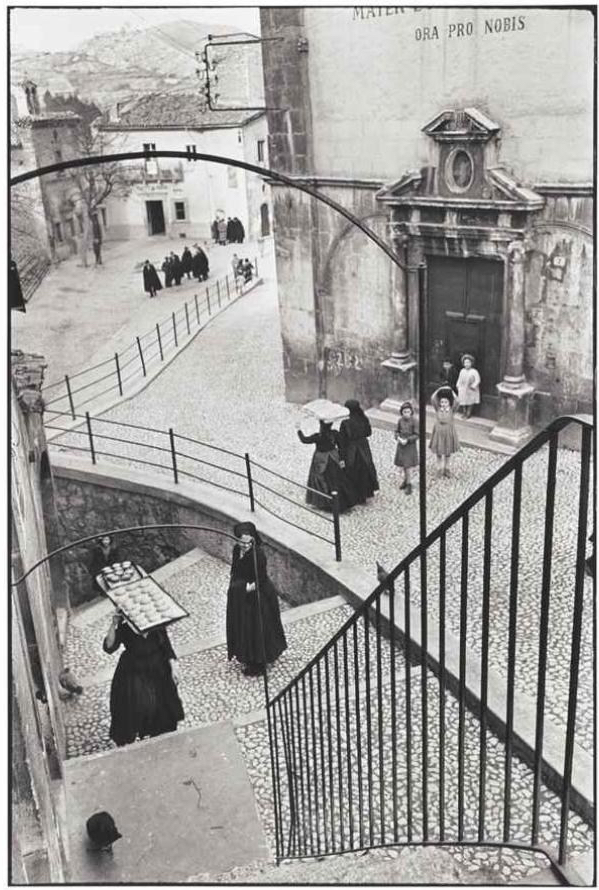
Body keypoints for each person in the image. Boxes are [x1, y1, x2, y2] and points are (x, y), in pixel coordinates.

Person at [103, 611, 184, 746]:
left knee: (162, 704)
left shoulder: (155, 622)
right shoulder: (125, 627)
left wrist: (173, 665)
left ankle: (160, 734)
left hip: (158, 667)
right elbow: (109, 646)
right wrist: (114, 624)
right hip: (134, 669)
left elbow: (166, 645)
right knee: (136, 704)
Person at [226, 522, 287, 677]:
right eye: (241, 542)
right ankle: (248, 655)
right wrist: (238, 587)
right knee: (245, 627)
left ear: (253, 540)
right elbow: (235, 571)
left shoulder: (258, 555)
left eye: (248, 542)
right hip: (244, 592)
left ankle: (259, 662)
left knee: (257, 628)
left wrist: (241, 588)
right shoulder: (236, 550)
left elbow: (258, 580)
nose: (244, 546)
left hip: (258, 595)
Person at [297, 418, 357, 512]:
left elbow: (304, 440)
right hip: (333, 457)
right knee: (338, 478)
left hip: (321, 459)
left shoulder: (318, 436)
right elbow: (341, 445)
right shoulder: (334, 434)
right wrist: (341, 458)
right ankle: (344, 501)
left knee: (322, 478)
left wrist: (299, 430)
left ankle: (325, 502)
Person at [338, 399, 379, 503]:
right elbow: (369, 432)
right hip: (363, 447)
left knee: (353, 470)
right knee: (365, 469)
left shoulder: (345, 422)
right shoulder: (363, 419)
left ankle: (354, 495)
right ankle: (365, 494)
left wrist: (341, 456)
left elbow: (342, 440)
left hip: (351, 449)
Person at [430, 386, 460, 477]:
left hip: (448, 432)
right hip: (439, 433)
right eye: (442, 402)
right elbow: (433, 398)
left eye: (445, 402)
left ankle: (447, 468)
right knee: (439, 452)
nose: (443, 404)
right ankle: (439, 468)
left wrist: (451, 391)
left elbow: (457, 401)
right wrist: (439, 389)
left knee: (447, 452)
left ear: (449, 403)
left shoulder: (451, 410)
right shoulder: (437, 408)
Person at [394, 401, 418, 495]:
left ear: (411, 412)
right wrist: (398, 437)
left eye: (408, 412)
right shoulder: (400, 421)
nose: (407, 414)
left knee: (408, 466)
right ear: (402, 412)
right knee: (404, 465)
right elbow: (396, 431)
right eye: (404, 412)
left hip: (410, 446)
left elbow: (417, 435)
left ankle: (409, 484)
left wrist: (408, 440)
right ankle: (405, 480)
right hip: (401, 445)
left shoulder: (414, 421)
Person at [456, 354, 481, 419]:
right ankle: (464, 412)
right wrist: (458, 385)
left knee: (470, 401)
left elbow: (478, 380)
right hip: (463, 388)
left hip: (471, 389)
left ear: (471, 363)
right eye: (465, 363)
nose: (467, 364)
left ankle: (468, 413)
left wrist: (473, 386)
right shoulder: (462, 371)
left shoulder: (474, 371)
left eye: (468, 363)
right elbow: (459, 378)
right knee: (463, 400)